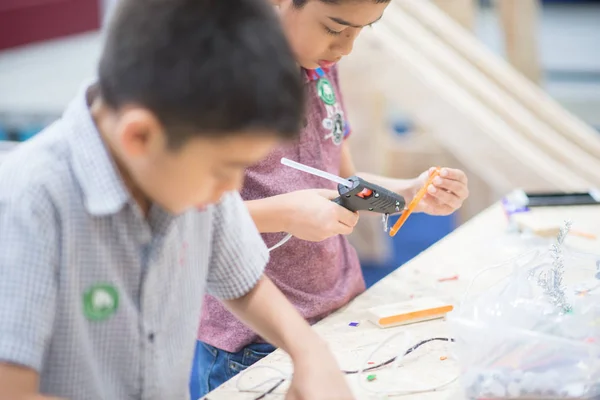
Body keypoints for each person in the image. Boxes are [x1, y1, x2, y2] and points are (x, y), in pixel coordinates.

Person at [0, 0, 355, 399]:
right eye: (223, 168)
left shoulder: (184, 168)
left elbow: (243, 280)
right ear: (140, 137)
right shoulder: (27, 203)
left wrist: (310, 354)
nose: (231, 187)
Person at [192, 0, 470, 396]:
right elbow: (189, 216)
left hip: (339, 309)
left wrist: (407, 193)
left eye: (363, 29)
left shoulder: (321, 67)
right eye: (335, 28)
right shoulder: (217, 84)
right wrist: (285, 213)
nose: (347, 47)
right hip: (252, 340)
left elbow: (343, 182)